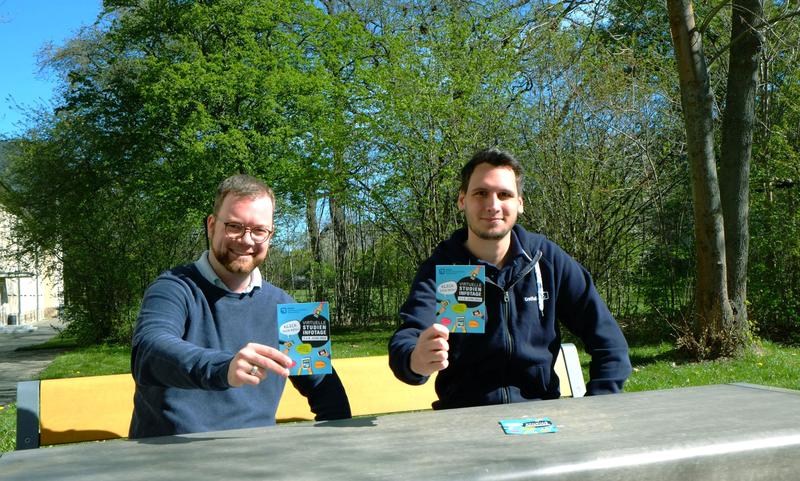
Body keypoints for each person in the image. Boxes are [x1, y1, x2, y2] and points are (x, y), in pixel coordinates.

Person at [389, 148, 632, 410]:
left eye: (504, 194)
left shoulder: (546, 259)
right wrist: (415, 360)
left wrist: (596, 406)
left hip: (543, 417)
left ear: (520, 203)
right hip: (463, 421)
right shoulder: (443, 267)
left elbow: (610, 344)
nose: (492, 205)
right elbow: (408, 339)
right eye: (480, 193)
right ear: (462, 200)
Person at [130, 175, 350, 438]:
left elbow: (328, 394)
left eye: (259, 231)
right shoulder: (173, 287)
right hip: (173, 457)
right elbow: (149, 351)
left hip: (255, 462)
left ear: (270, 235)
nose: (247, 241)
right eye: (234, 226)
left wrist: (335, 449)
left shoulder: (286, 306)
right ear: (212, 226)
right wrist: (224, 368)